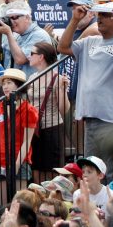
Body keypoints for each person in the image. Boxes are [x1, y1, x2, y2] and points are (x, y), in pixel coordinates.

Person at [57, 1, 113, 179]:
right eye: (98, 15)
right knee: (92, 172)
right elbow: (62, 47)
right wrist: (75, 20)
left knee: (112, 172)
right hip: (90, 120)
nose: (99, 19)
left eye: (105, 15)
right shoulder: (89, 42)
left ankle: (112, 205)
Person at [0, 69, 37, 202]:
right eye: (4, 83)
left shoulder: (29, 110)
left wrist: (17, 165)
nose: (5, 86)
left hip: (20, 160)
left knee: (20, 204)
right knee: (1, 204)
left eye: (9, 83)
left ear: (19, 86)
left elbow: (27, 141)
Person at [26, 42, 70, 183]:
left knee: (51, 171)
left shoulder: (57, 78)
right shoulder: (32, 77)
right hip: (34, 128)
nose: (29, 56)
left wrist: (62, 90)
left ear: (41, 57)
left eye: (32, 53)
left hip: (52, 128)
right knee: (36, 168)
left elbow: (64, 109)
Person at [0, 0, 51, 78]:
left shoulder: (40, 35)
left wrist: (9, 33)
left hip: (30, 87)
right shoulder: (15, 36)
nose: (11, 22)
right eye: (8, 19)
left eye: (14, 17)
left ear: (27, 18)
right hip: (11, 86)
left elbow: (20, 59)